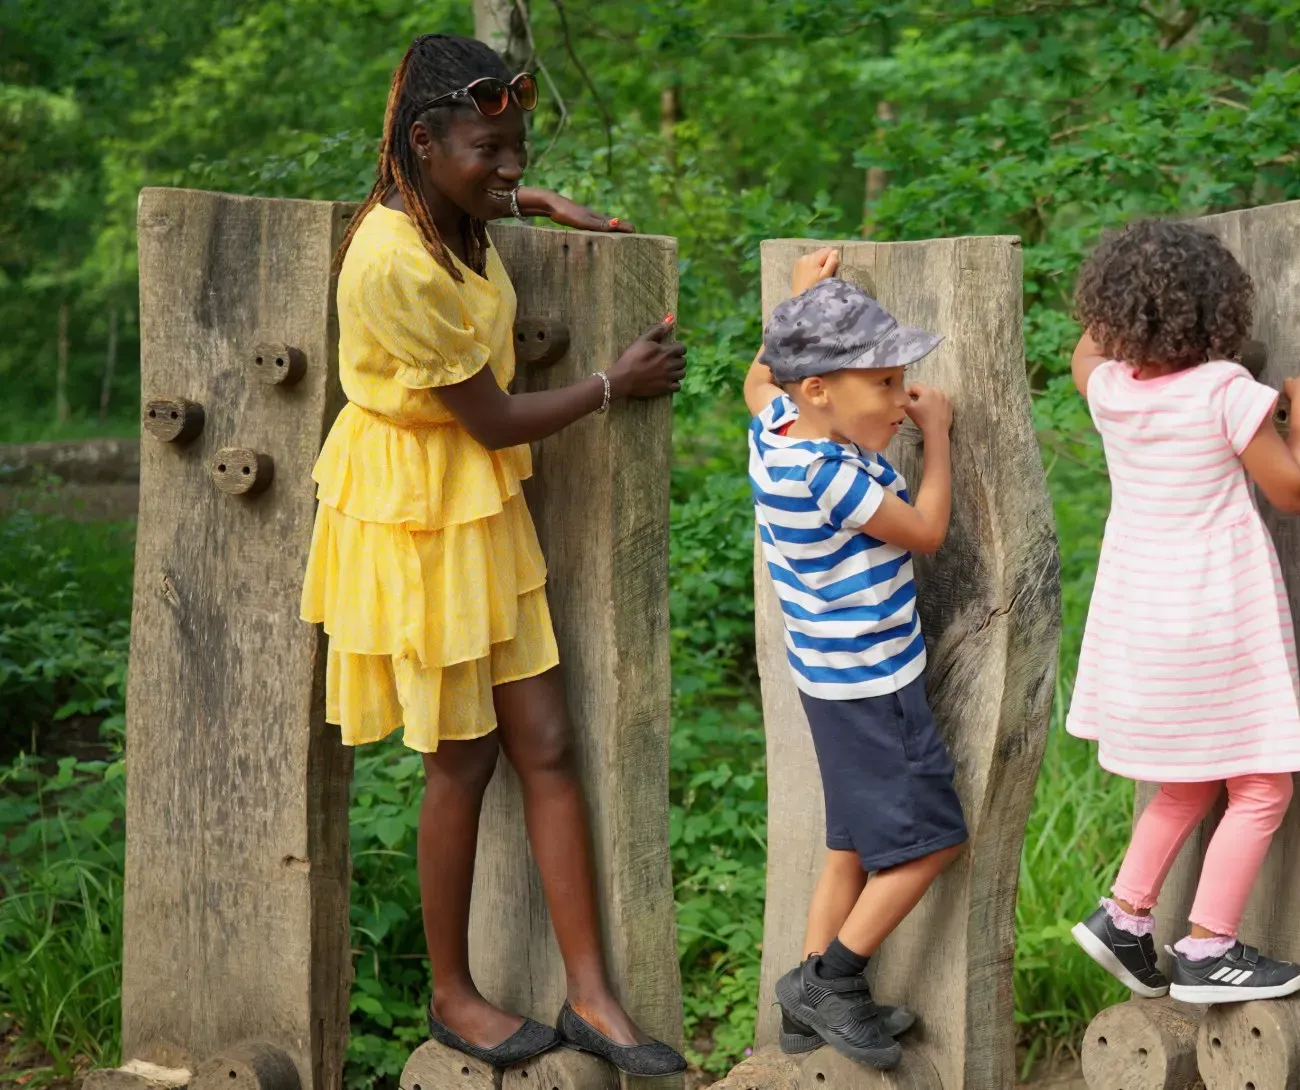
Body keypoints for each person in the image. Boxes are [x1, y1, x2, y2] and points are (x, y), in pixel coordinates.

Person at [298, 34, 687, 1076]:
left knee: (547, 742)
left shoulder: (451, 210)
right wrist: (614, 384)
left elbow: (479, 199)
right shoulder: (390, 262)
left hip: (475, 508)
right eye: (490, 151)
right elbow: (495, 418)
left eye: (518, 146)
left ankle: (591, 994)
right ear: (422, 142)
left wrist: (533, 203)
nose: (507, 165)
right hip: (419, 510)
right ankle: (451, 993)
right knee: (461, 758)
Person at [1062, 219, 1300, 1004]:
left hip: (1141, 620)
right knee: (1260, 787)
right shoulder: (1227, 393)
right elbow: (1296, 489)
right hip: (1214, 619)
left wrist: (1119, 309)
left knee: (1185, 782)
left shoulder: (1111, 390)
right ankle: (1209, 947)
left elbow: (1086, 352)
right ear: (1220, 312)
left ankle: (1124, 915)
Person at [740, 249, 965, 1070]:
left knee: (850, 845)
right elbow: (928, 531)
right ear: (821, 391)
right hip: (875, 686)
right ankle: (835, 980)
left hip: (827, 678)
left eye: (905, 385)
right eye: (887, 385)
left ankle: (804, 1012)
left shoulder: (778, 428)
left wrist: (800, 309)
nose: (903, 402)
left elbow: (756, 381)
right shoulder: (831, 474)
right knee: (934, 840)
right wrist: (936, 439)